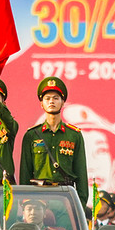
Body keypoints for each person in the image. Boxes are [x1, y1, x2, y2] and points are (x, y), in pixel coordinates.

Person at [18, 77, 89, 206]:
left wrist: (81, 206)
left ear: (63, 103)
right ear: (41, 103)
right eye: (47, 98)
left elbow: (81, 174)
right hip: (38, 199)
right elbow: (25, 173)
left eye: (56, 98)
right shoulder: (31, 135)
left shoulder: (74, 135)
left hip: (65, 199)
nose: (51, 101)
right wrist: (26, 202)